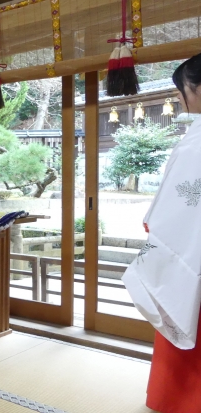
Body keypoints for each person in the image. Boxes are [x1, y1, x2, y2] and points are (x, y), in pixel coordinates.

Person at [122, 53, 201, 413]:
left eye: (184, 92)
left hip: (194, 258)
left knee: (187, 324)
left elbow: (174, 213)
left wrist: (156, 229)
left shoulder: (195, 143)